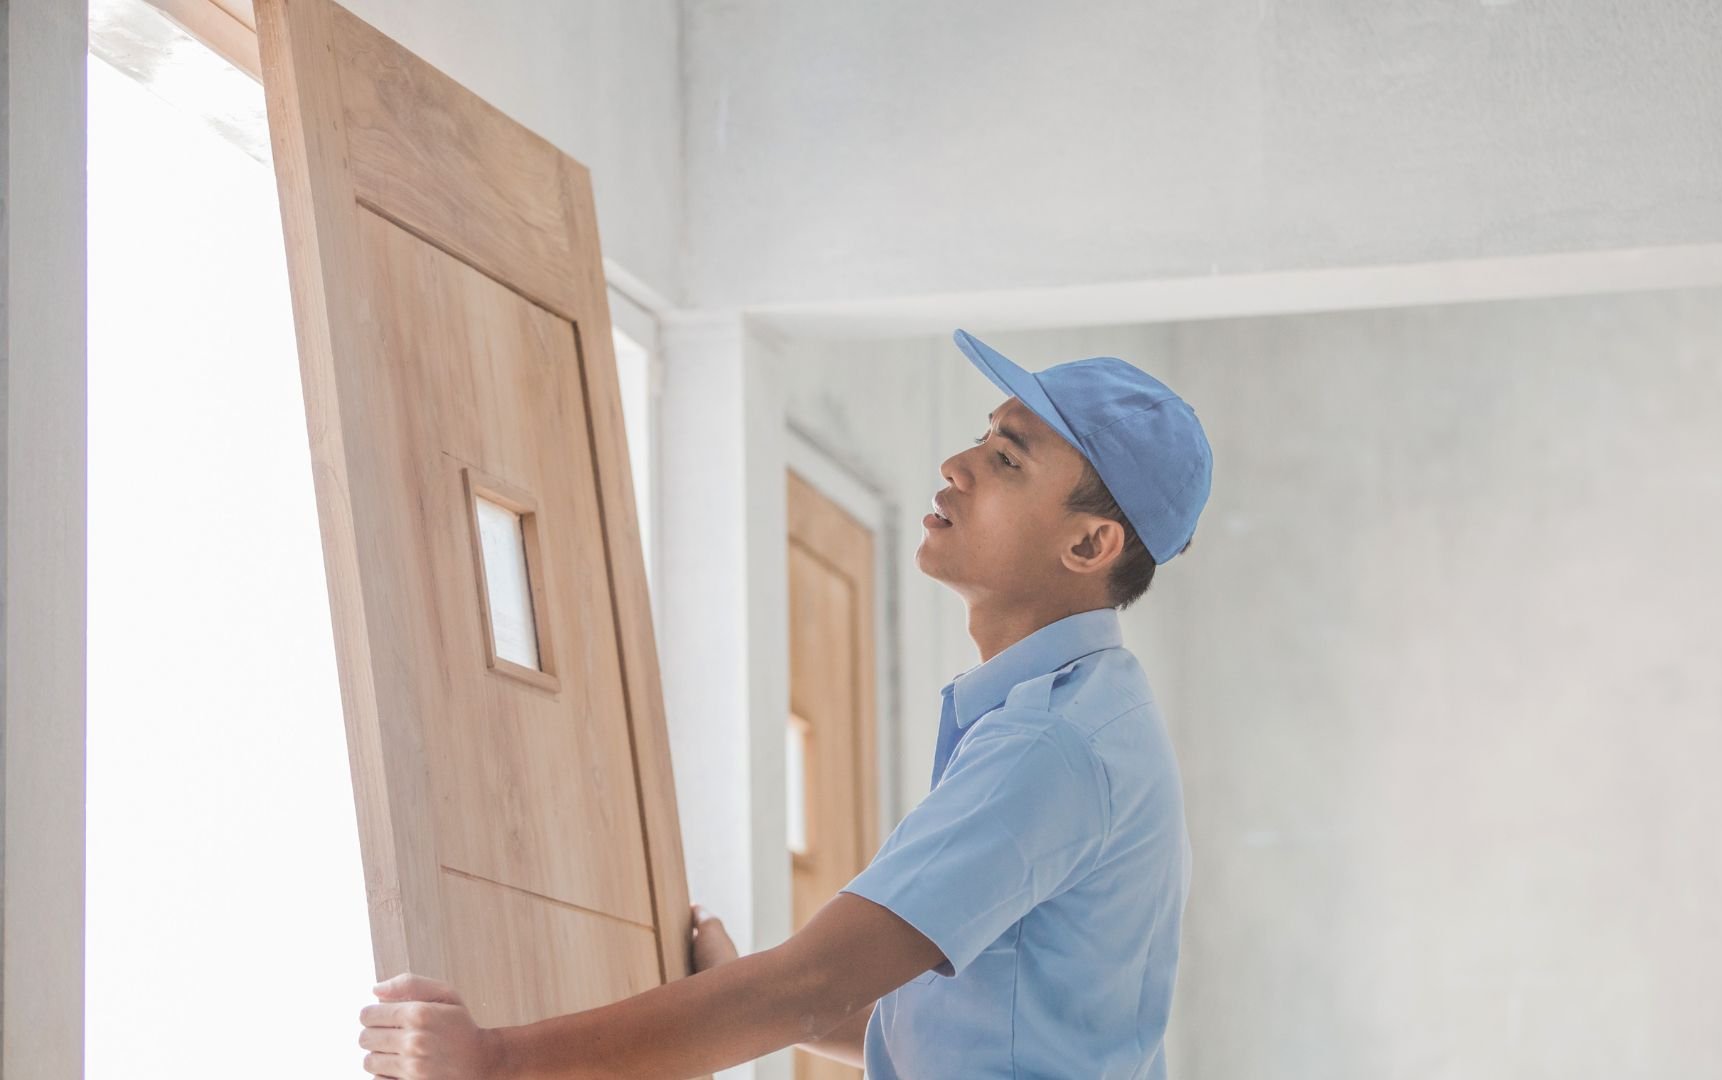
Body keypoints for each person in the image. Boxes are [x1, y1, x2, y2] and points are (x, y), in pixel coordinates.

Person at [356, 328, 1213, 1079]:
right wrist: (737, 984)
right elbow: (951, 1031)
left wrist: (493, 1063)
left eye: (1006, 460)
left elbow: (813, 986)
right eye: (981, 438)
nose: (957, 466)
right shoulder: (1088, 717)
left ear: (1090, 543)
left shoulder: (1049, 745)